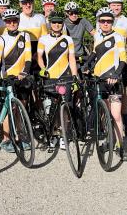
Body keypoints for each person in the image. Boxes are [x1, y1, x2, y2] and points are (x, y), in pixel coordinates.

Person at [82, 7, 127, 161]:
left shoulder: (118, 37)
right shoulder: (98, 37)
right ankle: (108, 140)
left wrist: (116, 74)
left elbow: (123, 59)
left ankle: (121, 147)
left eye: (109, 21)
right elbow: (95, 53)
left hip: (113, 80)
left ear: (112, 22)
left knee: (116, 115)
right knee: (104, 113)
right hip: (99, 79)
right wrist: (86, 65)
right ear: (99, 23)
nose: (106, 23)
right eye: (103, 21)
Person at [0, 8, 32, 153]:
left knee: (21, 107)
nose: (12, 23)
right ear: (5, 23)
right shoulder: (2, 38)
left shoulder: (25, 36)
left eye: (14, 21)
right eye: (9, 21)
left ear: (18, 21)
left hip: (21, 76)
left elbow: (28, 56)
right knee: (9, 108)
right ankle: (6, 139)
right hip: (7, 77)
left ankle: (20, 136)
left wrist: (25, 71)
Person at [37, 11, 79, 149]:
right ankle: (53, 134)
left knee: (65, 107)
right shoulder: (43, 39)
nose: (56, 25)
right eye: (54, 22)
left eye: (59, 22)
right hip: (51, 77)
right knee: (52, 109)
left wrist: (74, 76)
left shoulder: (68, 39)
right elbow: (39, 57)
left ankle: (63, 135)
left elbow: (71, 59)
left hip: (66, 76)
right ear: (50, 24)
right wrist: (44, 69)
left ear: (62, 24)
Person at [106, 0, 127, 136]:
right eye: (113, 5)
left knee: (122, 92)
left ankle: (126, 120)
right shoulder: (103, 19)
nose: (116, 7)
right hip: (105, 61)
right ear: (109, 5)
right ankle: (105, 121)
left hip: (121, 62)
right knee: (105, 91)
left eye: (118, 5)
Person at [18, 0, 48, 73]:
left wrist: (39, 54)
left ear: (33, 3)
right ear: (20, 4)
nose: (28, 5)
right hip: (21, 54)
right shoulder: (17, 18)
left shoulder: (41, 18)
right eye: (24, 2)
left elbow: (45, 38)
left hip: (38, 54)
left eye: (30, 2)